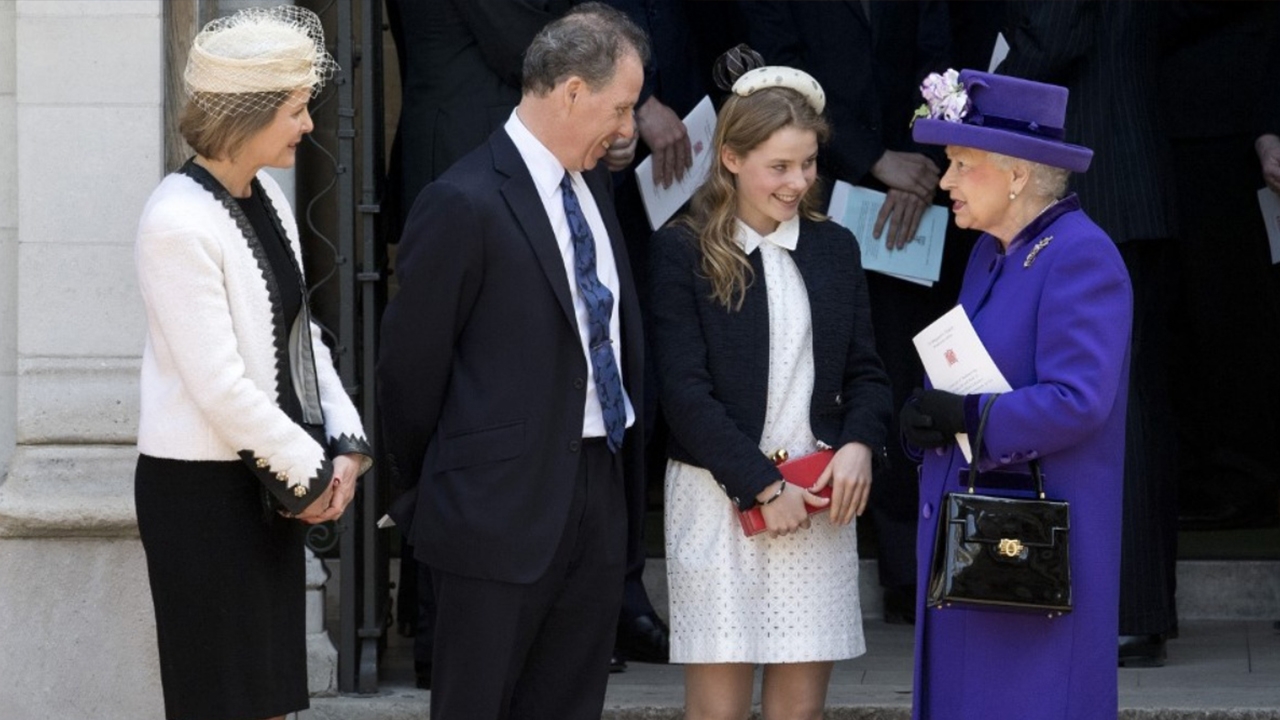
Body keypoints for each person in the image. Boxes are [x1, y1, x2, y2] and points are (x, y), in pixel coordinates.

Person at [376, 5, 648, 719]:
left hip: (596, 497)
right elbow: (408, 379)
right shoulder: (461, 201)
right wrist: (430, 500)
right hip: (492, 522)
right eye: (620, 108)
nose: (627, 130)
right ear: (570, 94)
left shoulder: (593, 192)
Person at [133, 7, 373, 720]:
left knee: (268, 702)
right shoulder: (176, 219)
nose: (306, 125)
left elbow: (302, 339)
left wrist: (346, 446)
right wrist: (310, 475)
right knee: (222, 704)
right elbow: (219, 385)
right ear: (249, 113)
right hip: (202, 501)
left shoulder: (262, 196)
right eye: (296, 110)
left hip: (263, 492)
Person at [648, 51, 892, 720]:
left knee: (799, 712)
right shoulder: (683, 248)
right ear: (730, 157)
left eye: (808, 164)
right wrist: (762, 484)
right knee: (718, 711)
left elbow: (867, 372)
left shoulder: (835, 246)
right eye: (779, 166)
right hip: (718, 495)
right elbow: (683, 394)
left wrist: (859, 447)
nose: (799, 182)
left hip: (815, 499)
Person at [901, 69, 1132, 719]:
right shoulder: (992, 253)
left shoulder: (1081, 256)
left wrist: (969, 416)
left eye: (959, 163)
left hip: (1028, 555)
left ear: (1017, 174)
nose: (944, 181)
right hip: (977, 543)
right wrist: (930, 419)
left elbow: (1080, 399)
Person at [740, 1, 956, 624]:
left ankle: (913, 571)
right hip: (816, 189)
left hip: (918, 201)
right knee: (815, 364)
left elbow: (938, 69)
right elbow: (782, 76)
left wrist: (925, 168)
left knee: (907, 370)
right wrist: (872, 161)